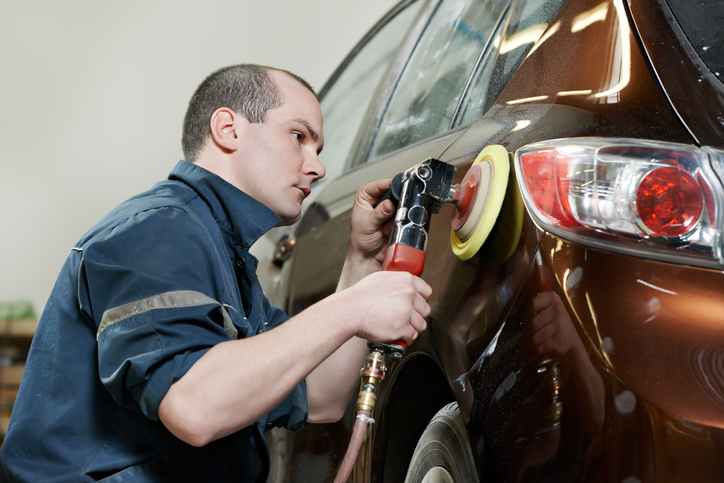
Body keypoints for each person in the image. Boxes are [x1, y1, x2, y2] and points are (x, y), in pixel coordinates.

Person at [0, 64, 431, 482]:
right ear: (228, 129)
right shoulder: (156, 232)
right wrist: (352, 308)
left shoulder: (222, 254)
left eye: (317, 151)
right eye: (298, 137)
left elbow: (320, 395)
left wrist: (363, 261)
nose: (317, 168)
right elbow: (195, 406)